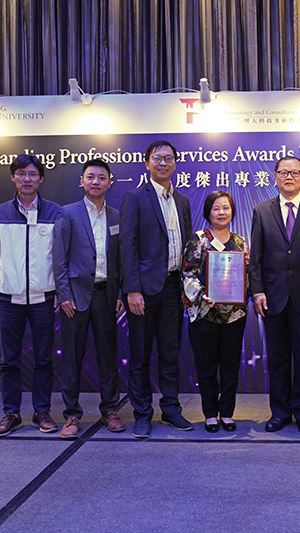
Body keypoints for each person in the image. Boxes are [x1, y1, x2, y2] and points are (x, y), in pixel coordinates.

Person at [249, 156, 300, 435]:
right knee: (278, 357)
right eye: (284, 172)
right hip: (272, 296)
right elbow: (256, 258)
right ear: (275, 176)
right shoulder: (262, 211)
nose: (289, 177)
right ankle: (280, 412)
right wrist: (257, 291)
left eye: (295, 172)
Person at [0, 154, 62, 437]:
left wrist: (59, 290)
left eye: (32, 174)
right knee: (9, 360)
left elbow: (60, 256)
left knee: (44, 359)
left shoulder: (55, 213)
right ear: (13, 177)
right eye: (21, 174)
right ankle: (11, 413)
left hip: (44, 298)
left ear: (41, 178)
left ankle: (42, 412)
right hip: (8, 298)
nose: (27, 179)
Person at [120, 140, 194, 438]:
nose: (163, 163)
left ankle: (171, 409)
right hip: (144, 290)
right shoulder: (135, 198)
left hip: (173, 287)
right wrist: (132, 289)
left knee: (170, 351)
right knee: (140, 353)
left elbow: (187, 246)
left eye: (169, 158)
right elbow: (128, 245)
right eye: (157, 158)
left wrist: (190, 285)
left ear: (175, 163)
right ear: (147, 163)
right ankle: (142, 413)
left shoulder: (182, 201)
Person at [53, 158, 124, 440]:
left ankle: (110, 409)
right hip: (75, 296)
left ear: (110, 182)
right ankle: (71, 414)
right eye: (90, 176)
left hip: (107, 295)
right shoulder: (68, 213)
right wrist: (63, 294)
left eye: (101, 177)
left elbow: (121, 259)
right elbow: (58, 257)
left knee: (108, 356)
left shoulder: (117, 216)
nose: (96, 181)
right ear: (81, 181)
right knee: (72, 356)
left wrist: (120, 293)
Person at [182, 191, 248, 432]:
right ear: (208, 212)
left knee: (230, 365)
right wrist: (202, 295)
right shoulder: (198, 239)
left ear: (232, 211)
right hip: (204, 314)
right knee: (206, 366)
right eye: (216, 208)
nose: (222, 213)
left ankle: (227, 413)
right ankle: (210, 413)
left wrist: (246, 274)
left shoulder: (240, 242)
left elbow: (246, 277)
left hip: (234, 315)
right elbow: (187, 274)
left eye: (226, 208)